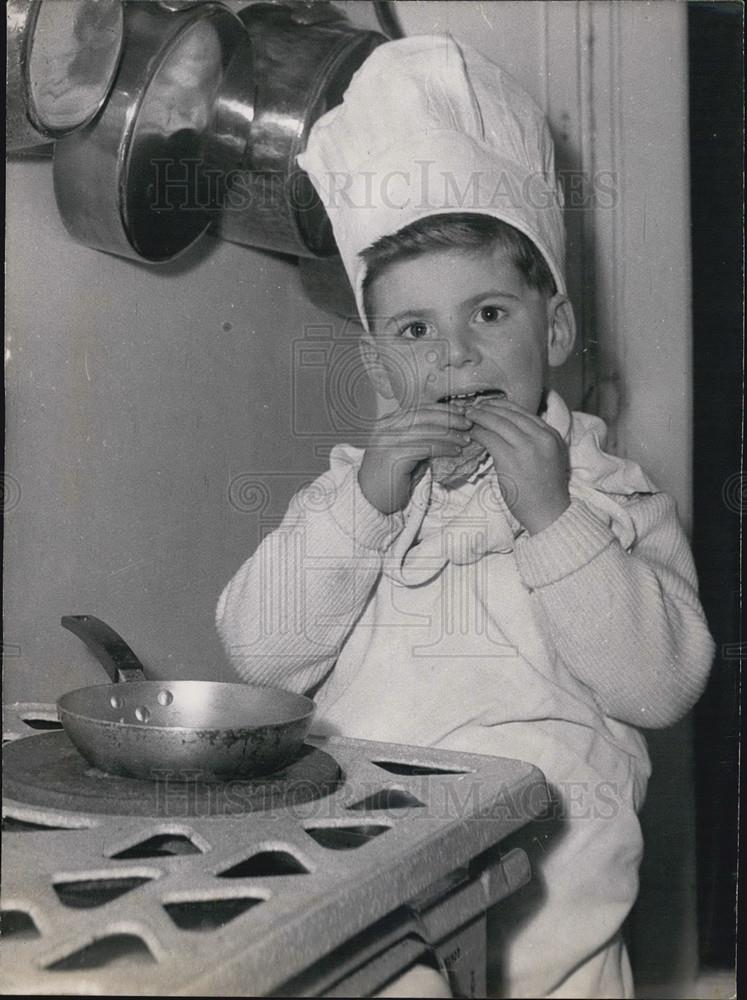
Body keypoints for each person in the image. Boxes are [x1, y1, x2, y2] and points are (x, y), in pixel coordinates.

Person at [216, 35, 714, 998]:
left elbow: (658, 689)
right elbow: (261, 656)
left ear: (554, 330)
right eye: (413, 331)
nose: (453, 357)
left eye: (487, 314)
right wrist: (366, 505)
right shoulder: (352, 498)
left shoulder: (609, 496)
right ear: (378, 368)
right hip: (370, 864)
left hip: (555, 887)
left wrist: (552, 518)